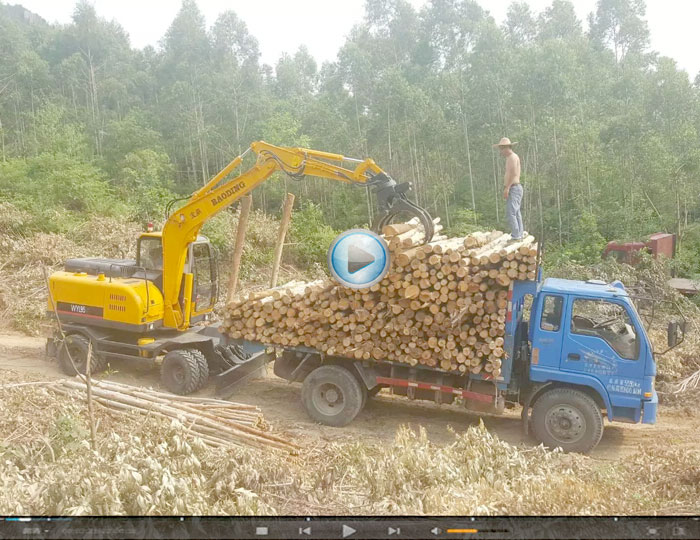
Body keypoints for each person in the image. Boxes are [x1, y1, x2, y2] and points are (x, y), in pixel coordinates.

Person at [494, 137, 524, 241]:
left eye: (501, 149)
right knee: (516, 212)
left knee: (511, 212)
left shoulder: (512, 157)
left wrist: (507, 187)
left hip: (514, 187)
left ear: (506, 148)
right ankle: (519, 233)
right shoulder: (510, 157)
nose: (500, 152)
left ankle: (516, 235)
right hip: (514, 187)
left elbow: (514, 173)